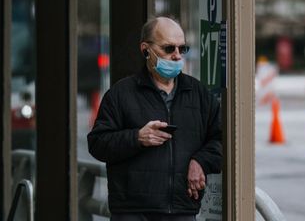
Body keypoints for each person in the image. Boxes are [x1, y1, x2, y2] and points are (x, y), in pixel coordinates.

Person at [88, 17, 222, 221]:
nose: (177, 56)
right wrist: (137, 138)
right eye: (169, 48)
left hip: (182, 210)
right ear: (146, 50)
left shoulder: (198, 94)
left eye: (182, 49)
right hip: (133, 213)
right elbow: (97, 143)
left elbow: (221, 139)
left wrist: (200, 161)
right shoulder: (121, 94)